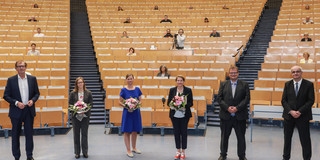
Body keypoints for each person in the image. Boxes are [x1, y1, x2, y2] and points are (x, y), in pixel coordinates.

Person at [3, 60, 40, 160]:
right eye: (19, 66)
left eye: (23, 66)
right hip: (16, 112)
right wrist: (16, 103)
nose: (21, 68)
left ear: (25, 67)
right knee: (15, 136)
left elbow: (37, 93)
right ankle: (16, 157)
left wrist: (32, 100)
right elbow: (5, 96)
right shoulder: (11, 80)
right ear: (16, 68)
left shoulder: (32, 79)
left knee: (29, 135)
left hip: (29, 111)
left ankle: (29, 156)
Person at [217, 66, 250, 160]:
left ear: (238, 73)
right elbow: (219, 98)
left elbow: (247, 99)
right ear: (229, 74)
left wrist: (237, 108)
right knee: (224, 137)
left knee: (241, 137)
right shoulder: (223, 84)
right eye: (231, 73)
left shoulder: (244, 84)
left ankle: (242, 156)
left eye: (235, 73)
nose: (233, 74)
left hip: (240, 116)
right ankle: (223, 155)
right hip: (226, 116)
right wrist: (227, 108)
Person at [281, 66, 314, 160]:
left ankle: (307, 158)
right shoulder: (287, 84)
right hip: (289, 116)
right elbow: (283, 101)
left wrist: (299, 111)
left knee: (305, 140)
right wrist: (291, 111)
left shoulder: (309, 84)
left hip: (303, 116)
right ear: (291, 73)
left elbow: (310, 101)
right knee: (287, 139)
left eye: (297, 71)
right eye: (293, 72)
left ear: (301, 73)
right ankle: (285, 157)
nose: (295, 73)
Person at [167, 75, 193, 160]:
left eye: (181, 80)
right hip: (174, 115)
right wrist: (174, 105)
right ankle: (178, 151)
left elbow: (191, 103)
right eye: (178, 80)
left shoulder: (188, 90)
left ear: (183, 81)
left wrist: (183, 104)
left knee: (184, 132)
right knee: (176, 132)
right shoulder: (172, 90)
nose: (179, 82)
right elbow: (168, 103)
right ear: (176, 81)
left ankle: (183, 152)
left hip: (184, 115)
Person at [119, 74, 143, 158]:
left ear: (133, 79)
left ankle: (134, 147)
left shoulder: (137, 89)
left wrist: (135, 105)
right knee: (126, 131)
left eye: (131, 79)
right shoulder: (123, 90)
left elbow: (140, 101)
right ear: (126, 80)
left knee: (135, 130)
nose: (130, 80)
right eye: (128, 79)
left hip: (135, 112)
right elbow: (120, 102)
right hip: (127, 113)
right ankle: (128, 150)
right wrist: (127, 106)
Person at [69, 77, 93, 159]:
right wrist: (77, 110)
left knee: (84, 134)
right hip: (75, 117)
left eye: (81, 82)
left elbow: (91, 104)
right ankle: (77, 152)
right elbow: (70, 105)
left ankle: (85, 152)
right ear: (76, 84)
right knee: (76, 135)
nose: (80, 84)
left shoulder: (88, 93)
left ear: (83, 83)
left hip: (85, 117)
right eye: (78, 82)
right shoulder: (72, 93)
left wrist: (84, 110)